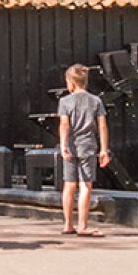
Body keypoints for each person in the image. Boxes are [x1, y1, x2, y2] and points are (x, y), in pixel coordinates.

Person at [56, 63, 109, 236]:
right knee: (85, 185)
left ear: (71, 82)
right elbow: (102, 126)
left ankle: (68, 225)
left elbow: (64, 124)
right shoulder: (96, 101)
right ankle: (83, 226)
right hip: (88, 145)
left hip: (71, 146)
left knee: (69, 185)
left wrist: (63, 145)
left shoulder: (64, 101)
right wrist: (104, 150)